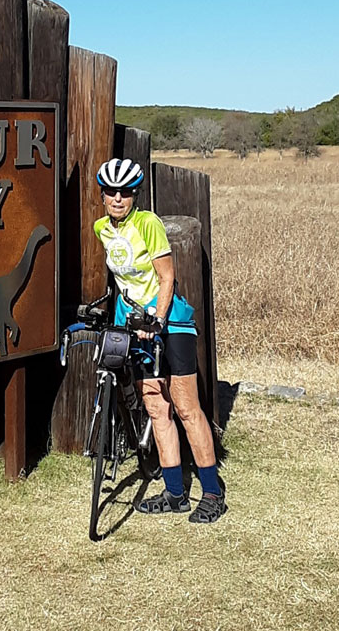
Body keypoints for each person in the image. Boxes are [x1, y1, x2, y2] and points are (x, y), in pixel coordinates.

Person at [93, 157, 226, 524]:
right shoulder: (102, 228)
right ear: (103, 195)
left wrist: (158, 320)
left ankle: (212, 492)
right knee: (156, 407)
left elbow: (167, 277)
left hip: (169, 323)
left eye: (125, 192)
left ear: (134, 194)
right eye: (110, 192)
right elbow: (121, 282)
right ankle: (174, 492)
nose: (117, 198)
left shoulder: (147, 223)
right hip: (133, 324)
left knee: (185, 406)